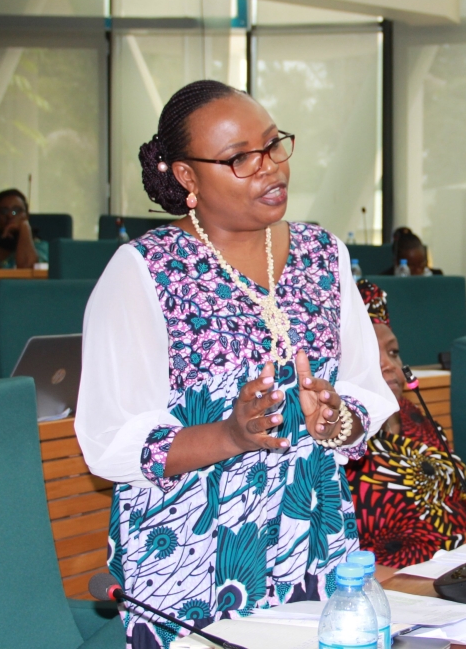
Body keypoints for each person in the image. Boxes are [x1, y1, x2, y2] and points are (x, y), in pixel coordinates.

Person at [75, 80, 397, 648]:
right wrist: (229, 434)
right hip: (191, 557)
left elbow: (366, 392)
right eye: (239, 159)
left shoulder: (326, 256)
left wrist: (336, 420)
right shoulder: (142, 272)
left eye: (273, 146)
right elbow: (109, 444)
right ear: (186, 177)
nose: (269, 167)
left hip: (314, 541)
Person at [345, 279, 466, 568]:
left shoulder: (412, 415)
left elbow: (465, 498)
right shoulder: (339, 441)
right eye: (371, 355)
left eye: (393, 352)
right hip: (400, 588)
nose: (390, 365)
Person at [0, 189, 48, 268]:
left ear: (26, 215)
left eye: (16, 211)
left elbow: (27, 270)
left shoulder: (41, 247)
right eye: (4, 211)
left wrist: (24, 227)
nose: (10, 215)